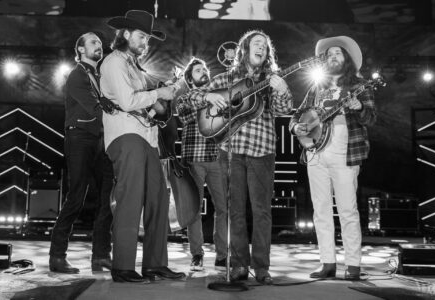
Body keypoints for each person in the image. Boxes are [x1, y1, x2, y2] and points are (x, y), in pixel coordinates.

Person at [188, 30, 293, 284]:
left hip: (262, 151)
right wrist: (208, 96)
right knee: (235, 212)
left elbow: (284, 110)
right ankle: (239, 266)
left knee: (261, 212)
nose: (262, 49)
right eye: (257, 44)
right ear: (245, 49)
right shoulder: (226, 79)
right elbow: (189, 99)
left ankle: (262, 267)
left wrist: (283, 89)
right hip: (231, 152)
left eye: (265, 47)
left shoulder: (271, 80)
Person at [100, 10, 185, 283]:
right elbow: (126, 101)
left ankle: (155, 264)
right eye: (141, 36)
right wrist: (159, 94)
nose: (145, 43)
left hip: (147, 137)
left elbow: (151, 107)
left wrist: (164, 97)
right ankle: (123, 266)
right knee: (131, 197)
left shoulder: (135, 66)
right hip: (125, 136)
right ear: (125, 34)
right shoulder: (114, 62)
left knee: (159, 197)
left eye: (147, 38)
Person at [289, 36, 376, 280]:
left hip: (345, 152)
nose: (333, 57)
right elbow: (297, 116)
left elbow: (371, 118)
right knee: (321, 210)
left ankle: (353, 265)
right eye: (329, 54)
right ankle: (327, 262)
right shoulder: (317, 86)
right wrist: (296, 128)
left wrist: (359, 107)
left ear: (346, 58)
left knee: (347, 210)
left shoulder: (360, 85)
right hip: (316, 152)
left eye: (338, 53)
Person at [49, 32, 114, 274]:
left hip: (101, 139)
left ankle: (100, 256)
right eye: (93, 42)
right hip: (80, 137)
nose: (99, 45)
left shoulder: (102, 76)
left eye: (99, 42)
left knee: (108, 196)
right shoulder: (77, 75)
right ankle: (57, 256)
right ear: (81, 50)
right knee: (76, 196)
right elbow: (95, 108)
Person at [175, 58, 228, 271]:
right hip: (194, 158)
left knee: (223, 208)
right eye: (198, 70)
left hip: (217, 157)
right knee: (193, 209)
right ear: (190, 78)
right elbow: (188, 114)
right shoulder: (184, 98)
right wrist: (210, 98)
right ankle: (197, 254)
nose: (203, 71)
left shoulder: (220, 97)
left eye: (205, 68)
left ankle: (223, 255)